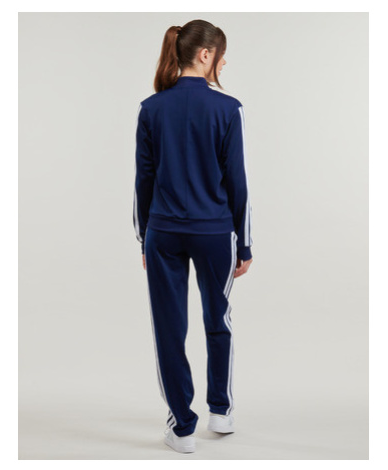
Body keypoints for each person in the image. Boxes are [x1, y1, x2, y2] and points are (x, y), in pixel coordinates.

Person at [132, 19, 253, 453]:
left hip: (162, 233)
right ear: (205, 55)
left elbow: (142, 181)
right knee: (217, 319)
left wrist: (143, 238)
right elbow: (237, 182)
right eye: (221, 55)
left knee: (169, 328)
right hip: (214, 233)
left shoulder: (151, 108)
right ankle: (220, 411)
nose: (224, 63)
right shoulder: (228, 108)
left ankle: (182, 428)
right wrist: (245, 244)